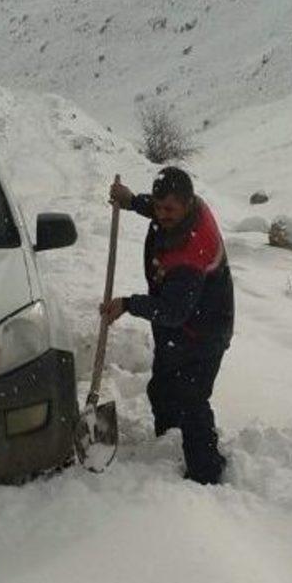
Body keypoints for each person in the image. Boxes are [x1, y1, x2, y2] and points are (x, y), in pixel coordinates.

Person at [101, 166, 234, 484]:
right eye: (158, 207)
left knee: (191, 400)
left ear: (188, 204)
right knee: (162, 387)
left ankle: (206, 474)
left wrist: (127, 304)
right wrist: (133, 201)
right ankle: (168, 441)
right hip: (180, 324)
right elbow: (160, 207)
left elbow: (174, 312)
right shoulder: (184, 209)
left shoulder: (191, 251)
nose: (162, 215)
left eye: (169, 209)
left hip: (203, 332)